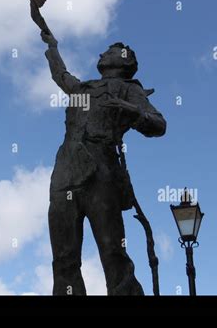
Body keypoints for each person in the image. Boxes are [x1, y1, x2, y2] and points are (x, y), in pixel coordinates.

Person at [42, 31, 166, 295]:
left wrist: (131, 110)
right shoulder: (83, 89)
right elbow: (60, 75)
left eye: (108, 52)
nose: (101, 54)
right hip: (66, 171)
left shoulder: (129, 89)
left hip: (102, 172)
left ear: (123, 61)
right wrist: (52, 45)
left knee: (112, 251)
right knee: (64, 256)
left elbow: (158, 124)